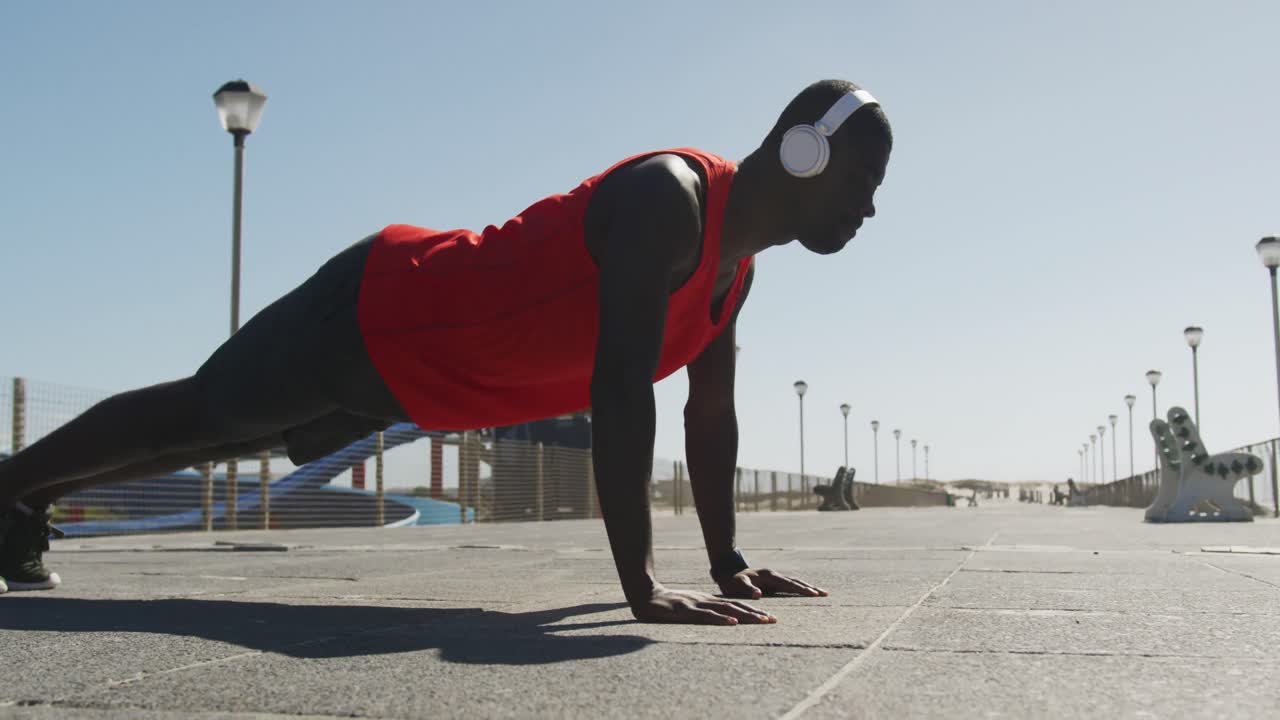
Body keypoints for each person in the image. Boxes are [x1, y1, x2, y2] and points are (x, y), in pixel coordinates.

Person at [0, 79, 892, 624]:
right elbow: (619, 389)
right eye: (861, 179)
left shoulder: (730, 274)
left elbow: (712, 413)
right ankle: (11, 489)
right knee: (202, 414)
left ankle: (19, 501)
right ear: (804, 151)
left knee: (220, 436)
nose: (869, 207)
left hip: (420, 381)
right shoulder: (673, 200)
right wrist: (642, 586)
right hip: (384, 308)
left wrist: (729, 564)